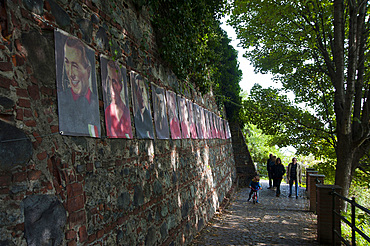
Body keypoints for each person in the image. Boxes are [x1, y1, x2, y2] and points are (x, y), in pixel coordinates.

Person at [58, 36, 100, 137]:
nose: (70, 73)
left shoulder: (95, 103)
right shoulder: (62, 99)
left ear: (88, 71)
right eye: (67, 63)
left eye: (75, 65)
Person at [104, 61, 132, 138]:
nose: (111, 86)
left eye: (114, 82)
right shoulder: (107, 111)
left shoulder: (126, 112)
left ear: (121, 85)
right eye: (109, 80)